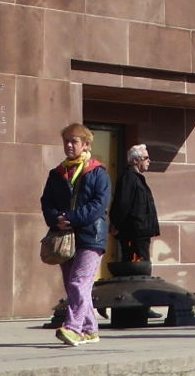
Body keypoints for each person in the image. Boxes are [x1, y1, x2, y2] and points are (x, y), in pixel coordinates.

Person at [41, 123, 111, 347]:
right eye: (66, 141)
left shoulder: (98, 172)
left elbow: (98, 205)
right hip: (64, 239)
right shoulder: (57, 173)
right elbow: (47, 202)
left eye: (74, 141)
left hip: (91, 237)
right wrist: (55, 219)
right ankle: (90, 329)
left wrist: (70, 218)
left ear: (86, 145)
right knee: (75, 285)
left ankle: (73, 328)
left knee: (78, 283)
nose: (69, 145)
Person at [111, 143, 160, 264]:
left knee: (142, 266)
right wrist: (116, 224)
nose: (149, 161)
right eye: (146, 158)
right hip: (133, 234)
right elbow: (123, 204)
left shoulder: (137, 178)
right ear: (135, 160)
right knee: (136, 268)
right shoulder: (129, 178)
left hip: (140, 234)